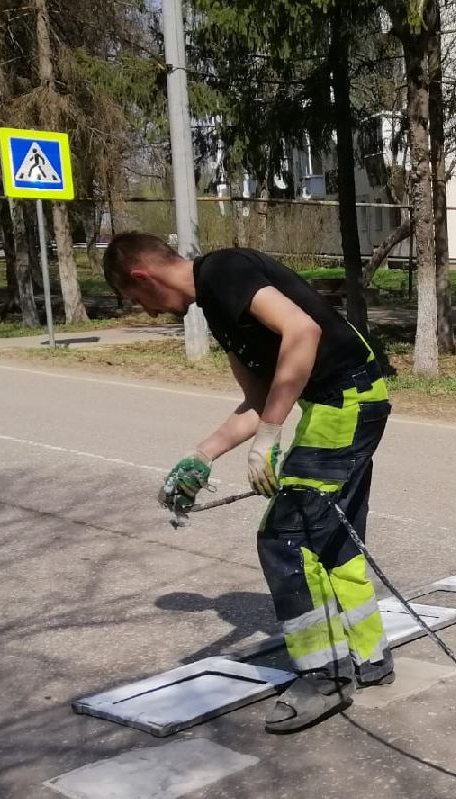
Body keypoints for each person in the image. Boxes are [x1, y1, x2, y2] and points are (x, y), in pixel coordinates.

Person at [102, 233, 393, 733]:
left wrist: (272, 434)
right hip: (342, 402)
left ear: (142, 276)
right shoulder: (217, 307)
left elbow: (302, 330)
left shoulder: (223, 271)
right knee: (331, 540)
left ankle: (323, 678)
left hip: (345, 401)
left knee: (286, 539)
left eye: (136, 299)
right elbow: (258, 399)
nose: (147, 312)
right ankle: (370, 656)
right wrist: (202, 455)